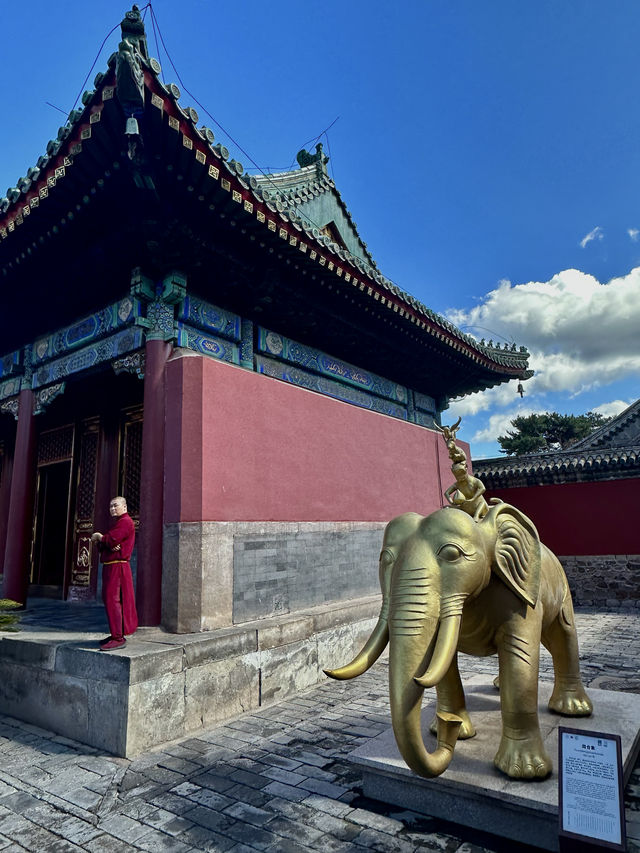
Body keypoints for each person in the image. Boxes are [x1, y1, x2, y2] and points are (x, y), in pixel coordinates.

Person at [91, 496, 138, 650]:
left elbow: (111, 540)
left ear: (124, 507)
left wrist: (100, 537)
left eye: (115, 506)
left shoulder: (125, 522)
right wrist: (106, 541)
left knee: (114, 600)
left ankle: (118, 637)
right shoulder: (118, 523)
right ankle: (115, 633)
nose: (112, 509)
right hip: (111, 566)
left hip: (118, 566)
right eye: (110, 506)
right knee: (110, 600)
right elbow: (109, 543)